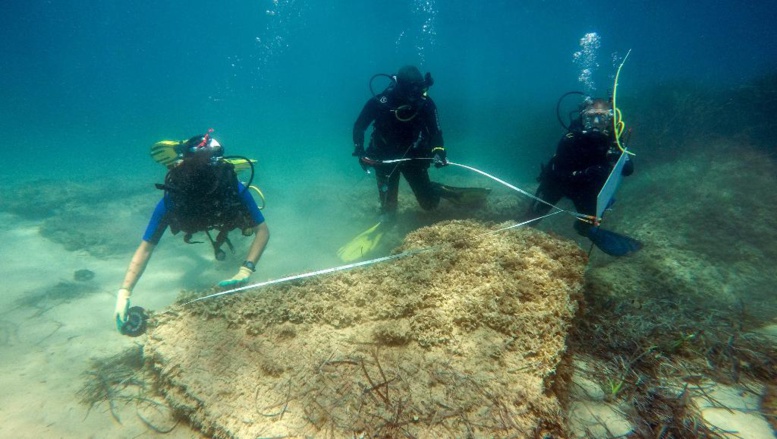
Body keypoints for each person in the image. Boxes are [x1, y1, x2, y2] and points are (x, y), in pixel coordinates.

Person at [114, 132, 270, 334]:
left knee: (245, 227)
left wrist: (246, 269)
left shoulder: (229, 186)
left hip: (226, 217)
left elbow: (262, 231)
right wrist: (124, 293)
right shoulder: (174, 197)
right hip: (200, 215)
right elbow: (145, 249)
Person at [526, 97, 640, 256]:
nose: (596, 121)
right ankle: (520, 234)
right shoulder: (571, 137)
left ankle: (587, 230)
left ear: (610, 119)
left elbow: (628, 169)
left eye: (602, 117)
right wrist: (584, 173)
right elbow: (557, 170)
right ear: (583, 117)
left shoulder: (613, 139)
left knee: (588, 225)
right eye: (591, 116)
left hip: (585, 189)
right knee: (531, 217)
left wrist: (616, 156)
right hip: (557, 183)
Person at [352, 65, 450, 220]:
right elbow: (359, 126)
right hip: (383, 158)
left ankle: (437, 189)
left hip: (414, 157)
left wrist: (438, 151)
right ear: (399, 86)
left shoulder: (425, 103)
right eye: (411, 91)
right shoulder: (380, 101)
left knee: (429, 204)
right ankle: (387, 216)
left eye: (418, 90)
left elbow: (435, 132)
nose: (414, 95)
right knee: (388, 212)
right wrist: (359, 149)